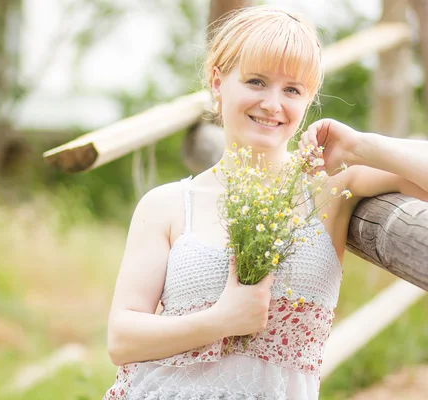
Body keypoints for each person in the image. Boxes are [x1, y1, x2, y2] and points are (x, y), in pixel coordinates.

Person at [103, 5, 428, 400]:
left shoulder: (328, 186)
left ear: (309, 100)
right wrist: (220, 320)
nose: (273, 104)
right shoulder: (168, 204)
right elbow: (121, 338)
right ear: (218, 82)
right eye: (256, 81)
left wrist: (363, 144)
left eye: (292, 90)